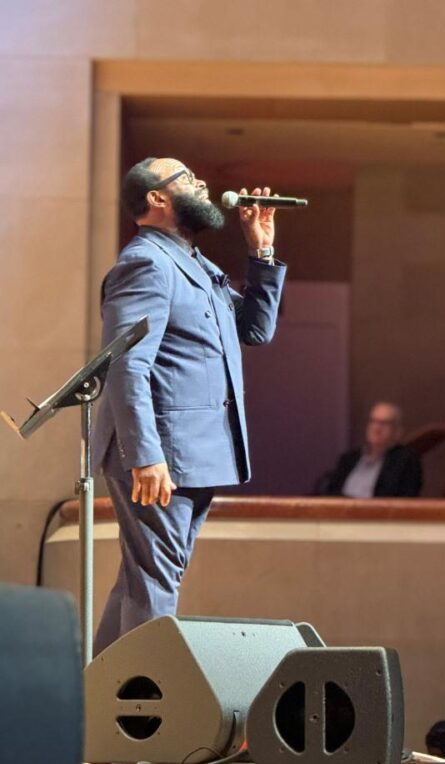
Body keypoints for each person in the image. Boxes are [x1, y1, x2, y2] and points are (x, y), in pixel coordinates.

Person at [92, 157, 286, 654]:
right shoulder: (145, 262)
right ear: (157, 198)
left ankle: (100, 699)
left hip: (193, 453)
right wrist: (145, 456)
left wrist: (261, 254)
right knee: (155, 581)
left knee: (148, 576)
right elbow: (126, 366)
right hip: (162, 455)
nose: (201, 185)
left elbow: (255, 331)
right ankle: (143, 707)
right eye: (187, 180)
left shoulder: (192, 261)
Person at [315, 401, 422, 497]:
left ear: (397, 431)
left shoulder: (406, 461)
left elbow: (404, 500)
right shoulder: (349, 458)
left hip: (378, 517)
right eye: (373, 421)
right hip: (341, 515)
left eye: (384, 423)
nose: (377, 428)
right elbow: (331, 493)